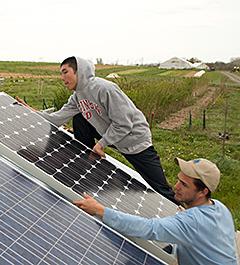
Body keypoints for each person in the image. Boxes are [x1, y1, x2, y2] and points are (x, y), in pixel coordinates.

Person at [23, 56, 176, 203]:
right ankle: (85, 162)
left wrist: (102, 143)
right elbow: (57, 118)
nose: (62, 78)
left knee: (159, 187)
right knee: (79, 117)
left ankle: (179, 209)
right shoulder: (77, 96)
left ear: (79, 71)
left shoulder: (105, 89)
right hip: (112, 135)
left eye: (65, 72)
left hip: (135, 140)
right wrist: (31, 112)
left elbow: (124, 124)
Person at [74, 157, 238, 265]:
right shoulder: (219, 208)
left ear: (203, 192)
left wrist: (101, 210)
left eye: (184, 185)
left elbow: (149, 228)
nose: (176, 186)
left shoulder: (192, 221)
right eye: (179, 180)